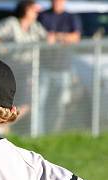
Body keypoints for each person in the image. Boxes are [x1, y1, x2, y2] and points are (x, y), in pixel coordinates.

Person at [37, 0, 82, 134]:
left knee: (59, 104)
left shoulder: (71, 17)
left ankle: (54, 132)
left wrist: (57, 37)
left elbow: (76, 37)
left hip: (63, 68)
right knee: (40, 102)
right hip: (44, 66)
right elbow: (38, 34)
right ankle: (38, 132)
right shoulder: (43, 16)